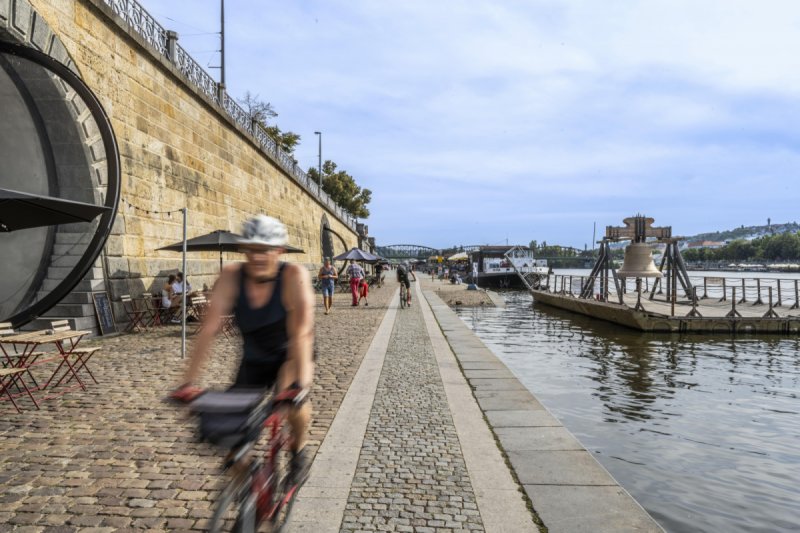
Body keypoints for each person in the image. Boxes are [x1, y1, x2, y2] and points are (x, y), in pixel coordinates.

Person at [171, 214, 315, 485]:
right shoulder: (231, 276)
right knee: (233, 448)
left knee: (292, 398)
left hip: (290, 351)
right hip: (255, 356)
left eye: (264, 250)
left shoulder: (294, 276)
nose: (256, 257)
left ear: (279, 251)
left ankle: (299, 449)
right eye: (251, 250)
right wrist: (188, 383)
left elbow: (302, 333)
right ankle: (251, 500)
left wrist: (300, 385)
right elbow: (208, 330)